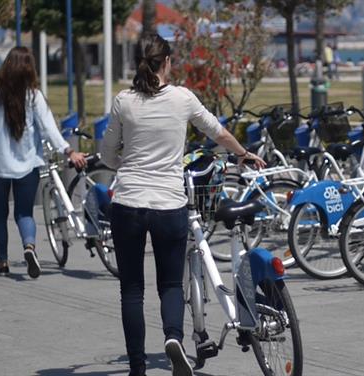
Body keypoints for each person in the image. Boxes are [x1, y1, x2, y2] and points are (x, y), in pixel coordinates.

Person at [101, 34, 265, 376]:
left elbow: (106, 154)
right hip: (170, 204)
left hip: (128, 202)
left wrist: (126, 166)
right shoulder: (183, 98)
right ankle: (173, 338)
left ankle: (136, 368)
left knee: (131, 288)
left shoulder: (123, 101)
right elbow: (217, 132)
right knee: (171, 285)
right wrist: (242, 153)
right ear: (167, 63)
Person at [0, 47, 86, 278]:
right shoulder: (34, 96)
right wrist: (68, 150)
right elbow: (49, 129)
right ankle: (29, 246)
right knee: (24, 213)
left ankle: (2, 262)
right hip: (27, 165)